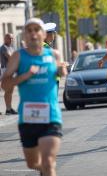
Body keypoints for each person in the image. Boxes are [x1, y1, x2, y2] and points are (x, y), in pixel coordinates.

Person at [1, 18, 67, 176]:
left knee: (48, 162)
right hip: (28, 118)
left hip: (51, 116)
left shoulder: (54, 54)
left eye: (36, 29)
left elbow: (61, 71)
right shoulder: (18, 56)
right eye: (28, 30)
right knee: (32, 164)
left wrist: (61, 70)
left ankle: (47, 167)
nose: (33, 33)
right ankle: (44, 168)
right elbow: (5, 85)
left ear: (43, 34)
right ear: (24, 35)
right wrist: (25, 76)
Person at [0, 33, 17, 115]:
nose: (11, 40)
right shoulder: (3, 48)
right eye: (9, 38)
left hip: (12, 70)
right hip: (6, 70)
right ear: (5, 39)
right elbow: (10, 57)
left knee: (10, 90)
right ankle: (8, 108)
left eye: (12, 38)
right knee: (8, 90)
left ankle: (9, 108)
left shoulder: (12, 47)